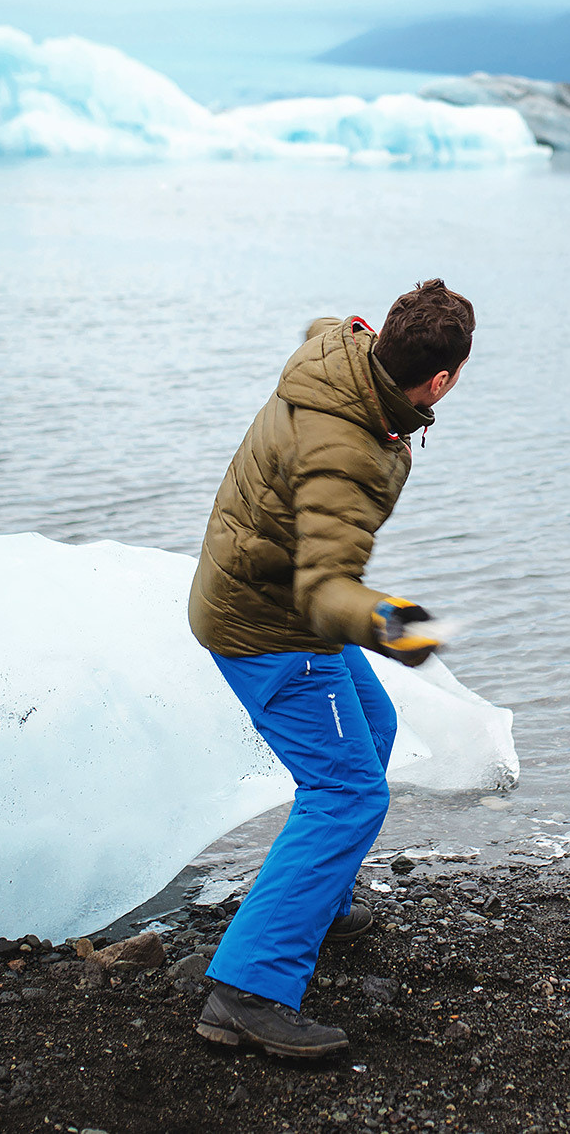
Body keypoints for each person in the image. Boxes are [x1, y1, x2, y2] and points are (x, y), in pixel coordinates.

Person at [187, 279, 473, 1059]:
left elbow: (324, 322)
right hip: (270, 623)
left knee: (372, 727)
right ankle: (247, 989)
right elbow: (325, 587)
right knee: (348, 790)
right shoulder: (346, 457)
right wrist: (397, 625)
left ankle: (320, 899)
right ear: (440, 380)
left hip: (257, 587)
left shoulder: (339, 353)